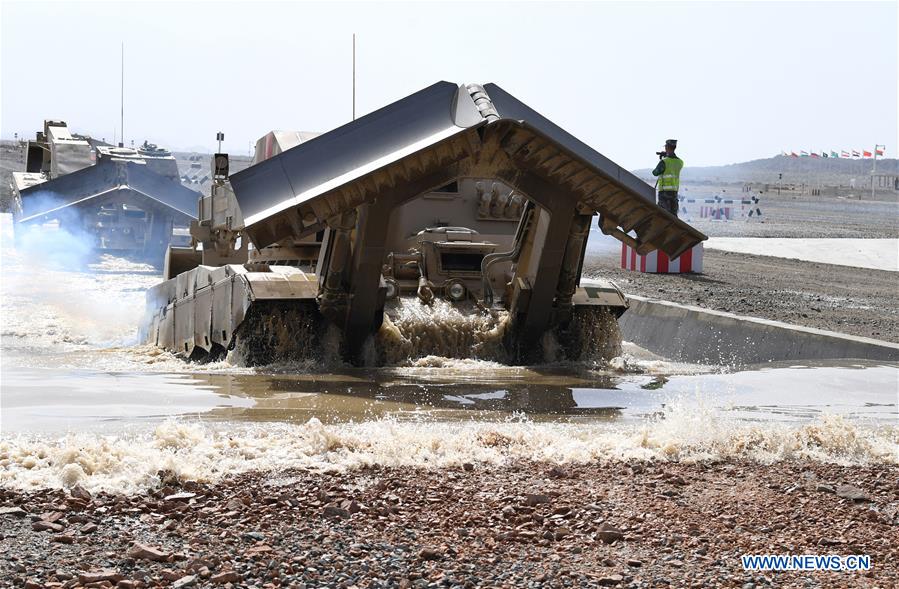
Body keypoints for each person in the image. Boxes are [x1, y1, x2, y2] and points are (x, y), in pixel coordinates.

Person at [652, 139, 683, 217]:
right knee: (673, 216)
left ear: (667, 147)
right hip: (674, 193)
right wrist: (667, 156)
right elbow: (671, 165)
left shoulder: (664, 161)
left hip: (664, 193)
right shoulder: (680, 162)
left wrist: (663, 159)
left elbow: (655, 173)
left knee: (662, 215)